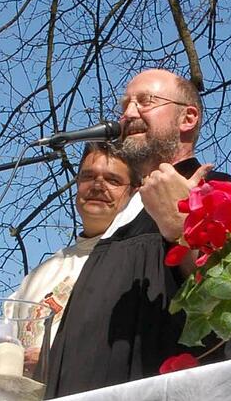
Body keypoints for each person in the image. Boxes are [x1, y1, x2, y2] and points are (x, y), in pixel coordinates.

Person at [45, 69, 231, 398]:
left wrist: (181, 225)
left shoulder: (215, 190)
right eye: (125, 104)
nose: (129, 114)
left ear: (187, 117)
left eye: (145, 101)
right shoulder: (122, 217)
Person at [9, 143, 140, 351]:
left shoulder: (139, 264)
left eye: (113, 180)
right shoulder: (40, 274)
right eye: (88, 176)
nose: (98, 186)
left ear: (134, 192)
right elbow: (0, 343)